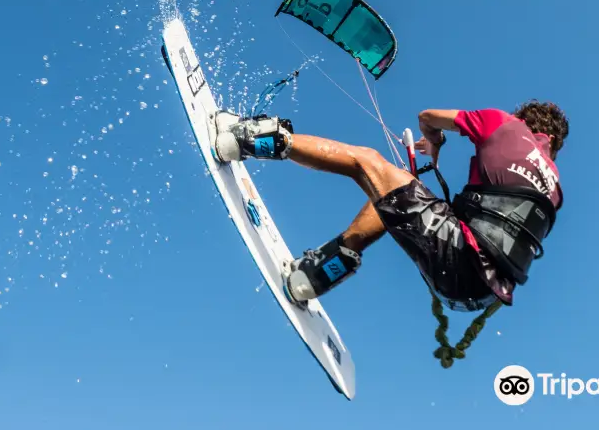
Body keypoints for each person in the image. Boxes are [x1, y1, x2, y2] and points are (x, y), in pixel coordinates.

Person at [208, 101, 568, 318]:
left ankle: (244, 139)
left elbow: (427, 116)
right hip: (475, 291)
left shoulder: (503, 122)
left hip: (457, 250)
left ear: (525, 121)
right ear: (552, 144)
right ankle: (315, 274)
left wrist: (436, 142)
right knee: (398, 195)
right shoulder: (555, 191)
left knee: (366, 161)